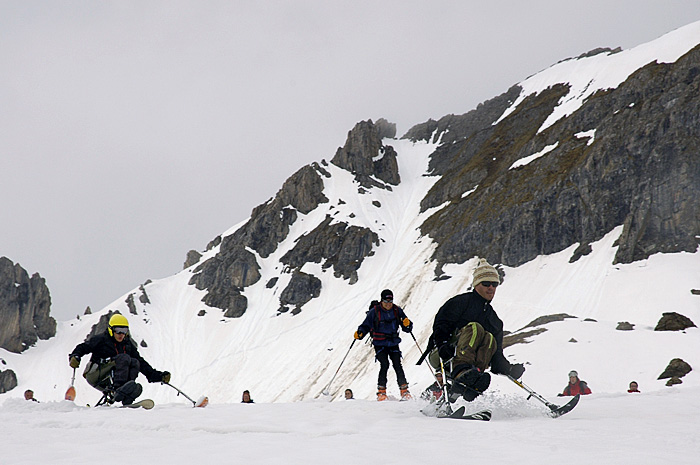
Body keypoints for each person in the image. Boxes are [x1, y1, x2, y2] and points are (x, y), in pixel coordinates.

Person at [429, 259, 525, 402]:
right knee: (475, 328)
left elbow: (496, 354)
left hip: (470, 361)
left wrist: (508, 369)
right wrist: (442, 344)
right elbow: (441, 324)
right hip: (443, 353)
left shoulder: (495, 321)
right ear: (476, 285)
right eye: (486, 283)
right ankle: (462, 371)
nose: (491, 288)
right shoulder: (460, 303)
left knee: (490, 338)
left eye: (494, 284)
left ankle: (471, 381)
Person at [68, 313, 170, 405]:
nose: (121, 334)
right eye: (118, 331)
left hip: (109, 379)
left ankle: (127, 393)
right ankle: (119, 389)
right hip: (95, 374)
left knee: (135, 362)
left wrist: (157, 376)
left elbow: (142, 363)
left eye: (124, 331)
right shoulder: (101, 340)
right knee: (124, 358)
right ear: (111, 330)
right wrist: (75, 356)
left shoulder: (127, 345)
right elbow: (83, 347)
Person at [354, 289, 413, 401]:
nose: (388, 304)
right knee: (384, 364)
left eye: (390, 302)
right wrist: (360, 333)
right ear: (381, 301)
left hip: (393, 342)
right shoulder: (374, 312)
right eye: (386, 302)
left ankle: (404, 391)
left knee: (397, 364)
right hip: (379, 343)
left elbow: (407, 328)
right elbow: (366, 325)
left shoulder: (397, 310)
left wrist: (408, 324)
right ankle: (381, 392)